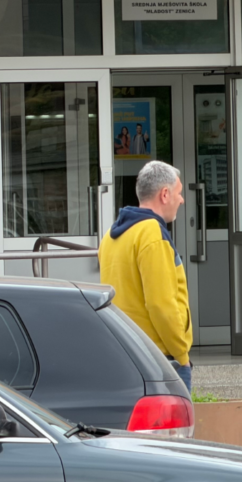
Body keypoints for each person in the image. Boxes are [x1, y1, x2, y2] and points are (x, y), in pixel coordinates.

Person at [99, 160, 193, 391]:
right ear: (165, 194)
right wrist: (181, 354)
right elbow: (161, 304)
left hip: (127, 354)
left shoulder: (110, 236)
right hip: (160, 360)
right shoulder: (152, 234)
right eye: (179, 193)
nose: (182, 200)